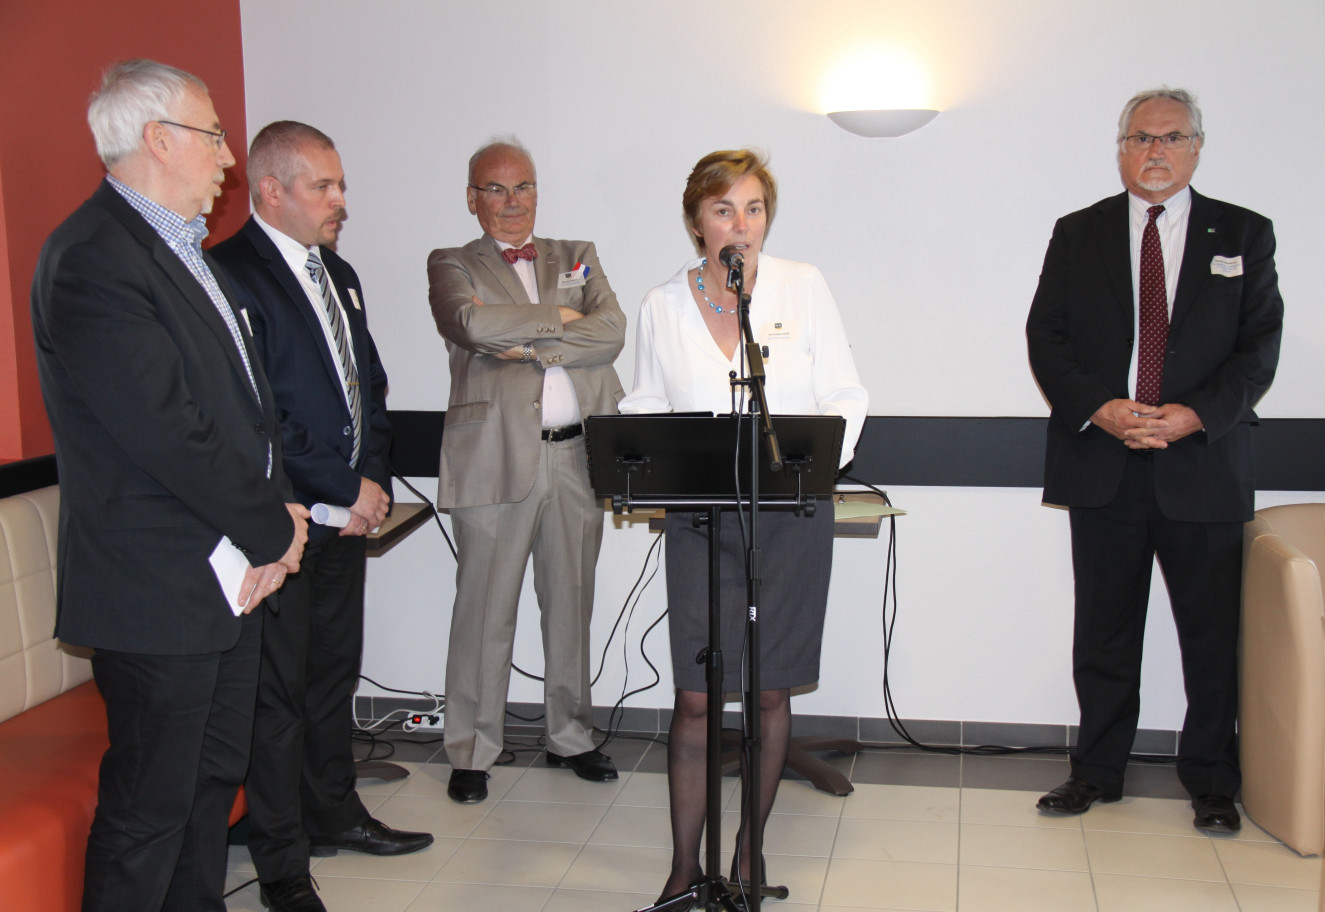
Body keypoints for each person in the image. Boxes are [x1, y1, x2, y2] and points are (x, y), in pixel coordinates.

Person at [30, 60, 310, 912]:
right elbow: (167, 433)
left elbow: (248, 413)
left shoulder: (184, 253)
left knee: (206, 793)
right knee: (149, 812)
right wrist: (277, 532)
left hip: (227, 578)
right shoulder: (92, 258)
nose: (228, 156)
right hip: (155, 589)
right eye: (215, 135)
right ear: (159, 139)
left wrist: (283, 508)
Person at [1026, 88, 1283, 834]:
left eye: (1172, 137)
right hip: (1102, 458)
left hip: (1202, 461)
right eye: (1141, 137)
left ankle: (1209, 779)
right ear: (1122, 148)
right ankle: (1096, 772)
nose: (1156, 151)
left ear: (1196, 147)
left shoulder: (1244, 232)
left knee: (1211, 637)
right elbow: (1050, 339)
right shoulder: (1078, 233)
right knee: (1102, 632)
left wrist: (1191, 416)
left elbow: (1258, 348)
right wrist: (1105, 409)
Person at [620, 149, 868, 902]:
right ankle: (682, 864)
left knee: (769, 692)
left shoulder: (802, 285)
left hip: (790, 515)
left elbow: (846, 394)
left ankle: (750, 854)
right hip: (703, 518)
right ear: (698, 221)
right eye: (725, 209)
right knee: (696, 696)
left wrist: (816, 466)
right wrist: (642, 457)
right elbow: (645, 402)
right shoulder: (662, 304)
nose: (742, 223)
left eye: (754, 207)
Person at [210, 121, 432, 912]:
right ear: (272, 190)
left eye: (340, 185)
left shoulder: (337, 271)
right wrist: (342, 483)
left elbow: (364, 382)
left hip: (345, 516)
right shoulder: (229, 273)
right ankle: (281, 865)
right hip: (284, 524)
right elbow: (261, 408)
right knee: (279, 700)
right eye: (323, 186)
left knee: (332, 678)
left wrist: (370, 483)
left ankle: (336, 811)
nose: (341, 200)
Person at [427, 139, 625, 804]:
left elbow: (614, 332)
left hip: (578, 455)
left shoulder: (576, 255)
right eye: (495, 189)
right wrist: (564, 321)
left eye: (523, 188)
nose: (511, 203)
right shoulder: (452, 262)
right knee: (484, 609)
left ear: (537, 192)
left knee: (571, 601)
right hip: (494, 458)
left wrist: (528, 339)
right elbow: (470, 323)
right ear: (472, 198)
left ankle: (570, 735)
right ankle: (472, 748)